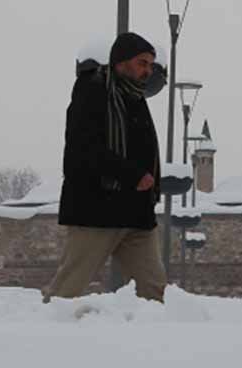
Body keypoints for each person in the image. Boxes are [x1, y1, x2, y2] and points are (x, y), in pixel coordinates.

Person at [43, 32, 166, 303]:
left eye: (150, 64)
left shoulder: (135, 97)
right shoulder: (93, 89)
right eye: (142, 63)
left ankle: (157, 339)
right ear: (122, 62)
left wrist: (152, 184)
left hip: (136, 213)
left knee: (154, 290)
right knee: (68, 287)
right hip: (96, 209)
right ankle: (45, 333)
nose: (148, 71)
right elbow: (83, 148)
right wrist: (132, 175)